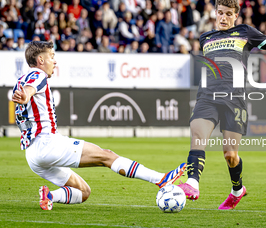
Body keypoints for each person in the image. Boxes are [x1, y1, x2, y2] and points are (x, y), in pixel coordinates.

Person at [178, 0, 266, 210]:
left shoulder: (245, 32)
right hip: (207, 96)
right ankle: (192, 183)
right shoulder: (206, 37)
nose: (223, 18)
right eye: (220, 13)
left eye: (228, 14)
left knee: (230, 155)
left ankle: (237, 189)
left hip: (235, 100)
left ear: (236, 16)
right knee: (198, 136)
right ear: (216, 13)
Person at [12, 41, 186, 211]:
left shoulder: (20, 80)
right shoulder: (37, 75)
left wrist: (25, 95)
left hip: (33, 155)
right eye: (51, 56)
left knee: (83, 192)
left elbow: (27, 91)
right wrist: (27, 95)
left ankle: (50, 196)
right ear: (40, 60)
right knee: (107, 156)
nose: (54, 61)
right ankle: (161, 179)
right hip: (46, 144)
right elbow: (30, 89)